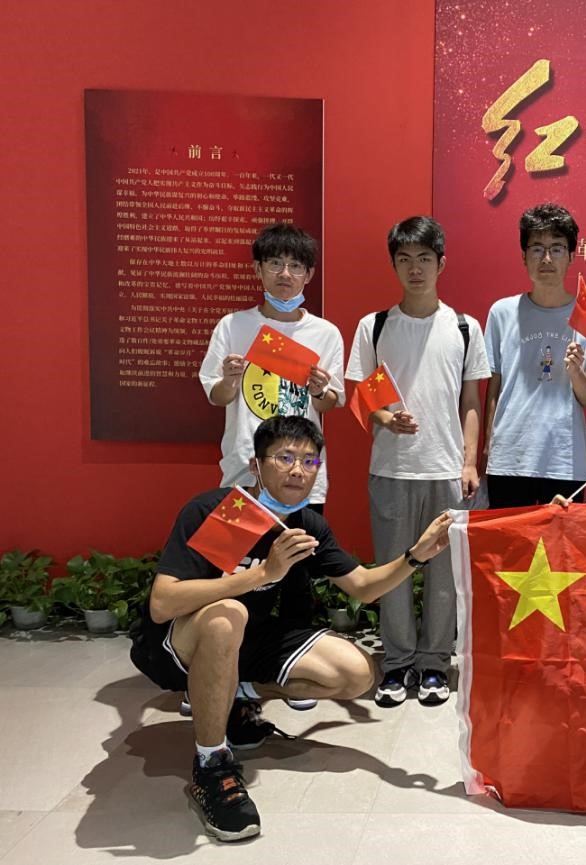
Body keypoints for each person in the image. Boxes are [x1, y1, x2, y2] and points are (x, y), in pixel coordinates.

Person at [129, 415, 453, 841]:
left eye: (309, 461)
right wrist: (263, 574)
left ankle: (234, 696)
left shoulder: (303, 524)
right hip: (178, 643)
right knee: (228, 615)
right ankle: (212, 765)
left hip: (248, 639)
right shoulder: (221, 512)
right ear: (256, 465)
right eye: (284, 458)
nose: (298, 470)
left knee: (356, 673)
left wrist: (416, 555)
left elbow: (363, 586)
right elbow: (162, 604)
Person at [344, 216, 489, 709]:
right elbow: (363, 396)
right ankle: (397, 663)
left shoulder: (464, 327)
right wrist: (387, 419)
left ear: (441, 263)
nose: (415, 269)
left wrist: (469, 463)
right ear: (394, 265)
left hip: (447, 470)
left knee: (445, 576)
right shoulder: (375, 326)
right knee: (393, 571)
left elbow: (471, 401)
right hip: (391, 469)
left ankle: (433, 664)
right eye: (404, 259)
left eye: (425, 259)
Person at [199, 223, 344, 511]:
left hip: (301, 473)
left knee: (300, 541)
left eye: (295, 266)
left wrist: (318, 391)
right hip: (245, 467)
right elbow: (217, 396)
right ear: (258, 269)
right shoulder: (233, 325)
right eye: (275, 263)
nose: (285, 274)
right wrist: (229, 381)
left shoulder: (325, 333)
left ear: (309, 274)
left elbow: (329, 403)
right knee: (239, 541)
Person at [483, 203, 586, 506]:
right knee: (509, 538)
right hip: (509, 458)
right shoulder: (502, 312)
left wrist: (576, 372)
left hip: (564, 460)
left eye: (557, 249)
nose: (546, 258)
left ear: (571, 256)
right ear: (523, 256)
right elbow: (494, 387)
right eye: (537, 249)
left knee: (561, 539)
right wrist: (490, 445)